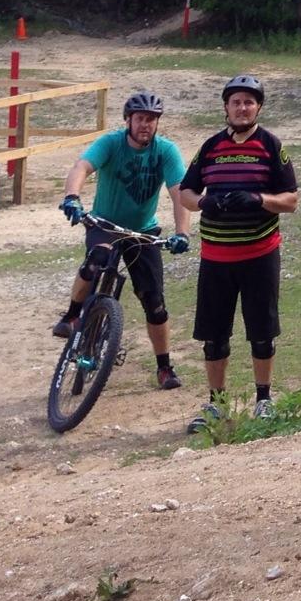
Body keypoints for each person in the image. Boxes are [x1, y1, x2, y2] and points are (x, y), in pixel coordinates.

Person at [175, 75, 299, 431]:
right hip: (216, 258)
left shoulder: (271, 145)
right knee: (214, 335)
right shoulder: (211, 146)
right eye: (236, 102)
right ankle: (217, 404)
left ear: (259, 107)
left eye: (248, 101)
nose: (242, 108)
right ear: (226, 107)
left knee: (262, 331)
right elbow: (185, 191)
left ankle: (264, 400)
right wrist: (204, 202)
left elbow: (291, 200)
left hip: (260, 254)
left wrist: (259, 199)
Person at [53, 89, 192, 391]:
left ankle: (164, 366)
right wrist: (72, 198)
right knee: (96, 261)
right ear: (128, 120)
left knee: (154, 302)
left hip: (143, 232)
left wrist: (182, 232)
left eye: (152, 120)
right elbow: (82, 167)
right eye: (141, 119)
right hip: (104, 223)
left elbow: (179, 192)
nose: (146, 125)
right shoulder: (111, 143)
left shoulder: (165, 151)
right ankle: (73, 315)